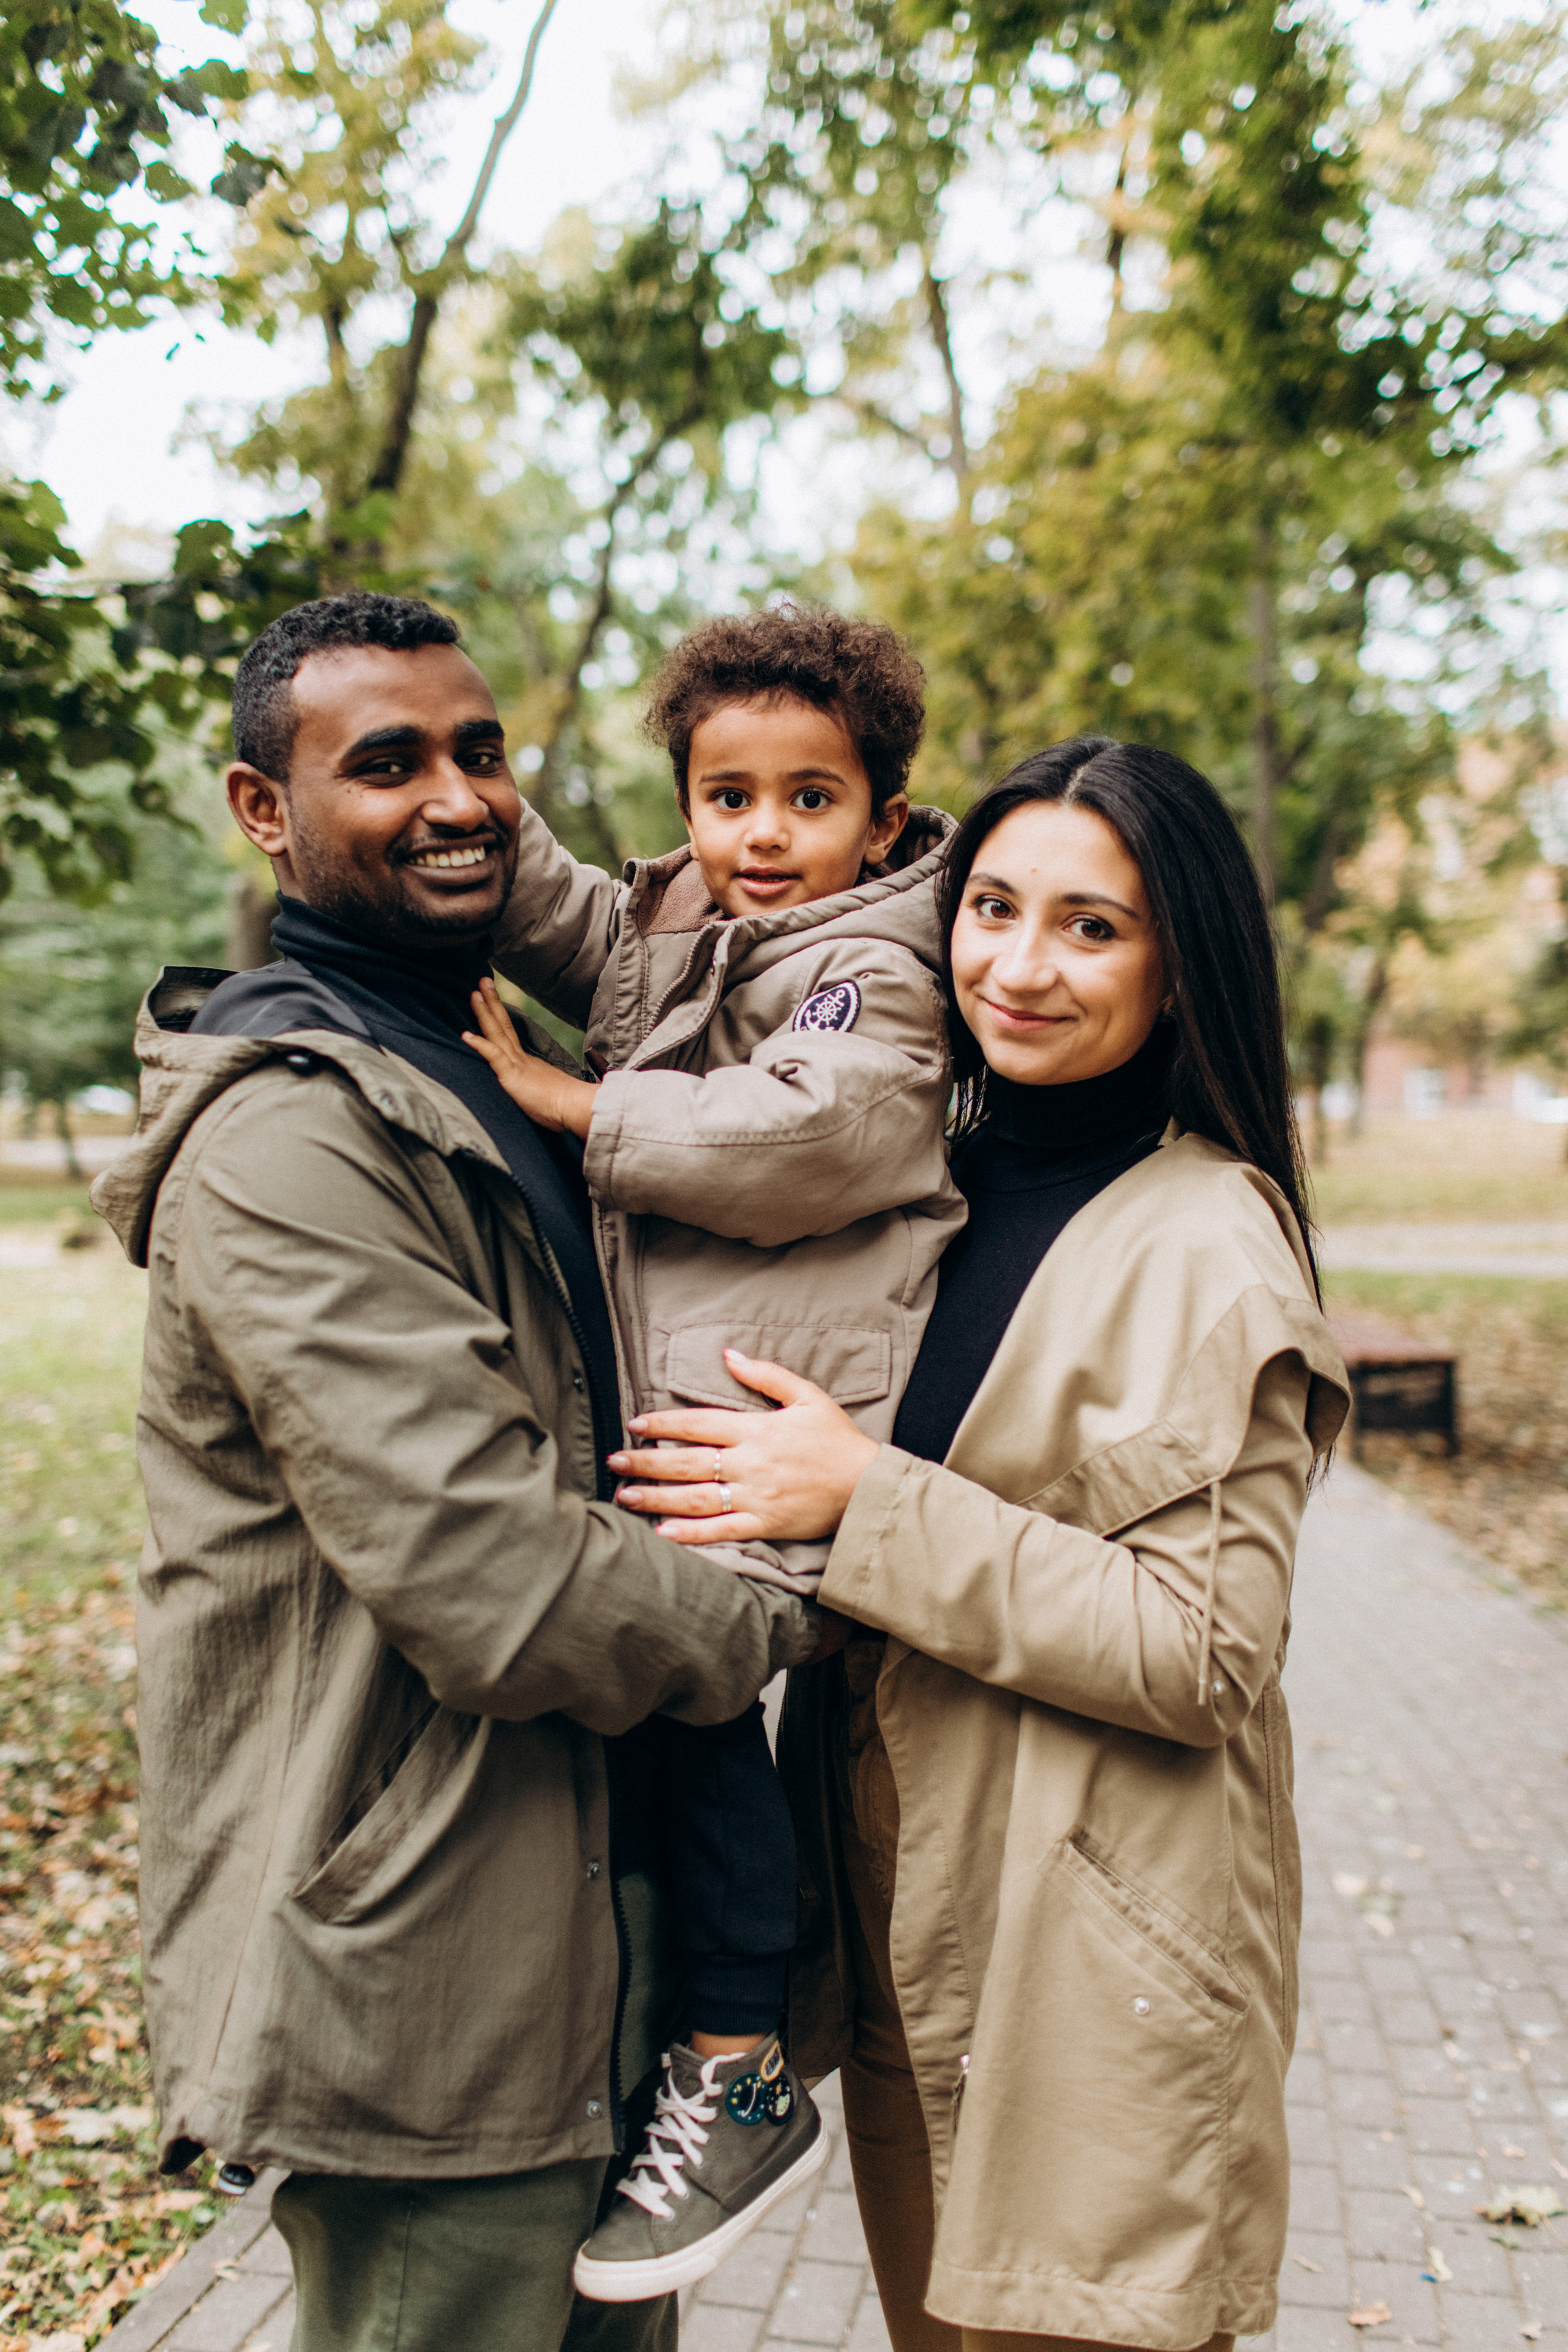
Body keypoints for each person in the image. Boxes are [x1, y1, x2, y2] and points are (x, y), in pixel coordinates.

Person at [89, 590, 818, 2352]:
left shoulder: (497, 1061)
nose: (460, 797)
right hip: (426, 1955)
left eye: (482, 752)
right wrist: (807, 1593)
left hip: (596, 1909)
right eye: (389, 762)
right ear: (266, 811)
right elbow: (493, 1579)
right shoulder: (285, 1133)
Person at [603, 737, 1352, 2352]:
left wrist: (858, 1498)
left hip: (1097, 1964)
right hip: (916, 1929)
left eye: (1092, 927)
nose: (1018, 966)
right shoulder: (932, 1173)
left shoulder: (1208, 1243)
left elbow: (1202, 1653)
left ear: (1181, 964)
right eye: (992, 907)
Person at [462, 603, 965, 2296]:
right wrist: (464, 764)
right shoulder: (680, 921)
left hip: (786, 1415)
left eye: (808, 800)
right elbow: (561, 910)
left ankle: (738, 2062)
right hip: (690, 1407)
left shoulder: (877, 963)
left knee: (691, 1700)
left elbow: (804, 1135)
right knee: (659, 1711)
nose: (763, 836)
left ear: (881, 821)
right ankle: (675, 2019)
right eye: (726, 796)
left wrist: (581, 1105)